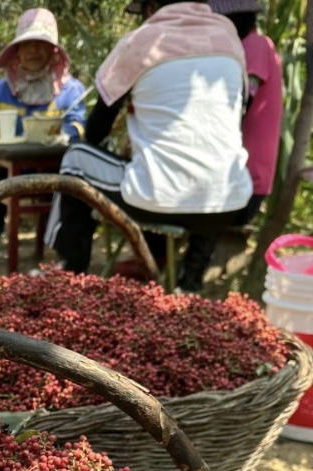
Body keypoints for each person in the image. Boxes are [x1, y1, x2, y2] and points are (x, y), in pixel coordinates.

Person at [44, 0, 254, 277]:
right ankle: (184, 279)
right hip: (230, 202)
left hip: (158, 200)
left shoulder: (142, 41)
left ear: (151, 7)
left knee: (75, 159)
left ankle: (71, 270)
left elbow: (96, 130)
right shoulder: (229, 40)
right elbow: (238, 111)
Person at [178, 0, 283, 292]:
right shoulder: (246, 48)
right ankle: (182, 278)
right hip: (237, 175)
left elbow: (238, 102)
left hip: (246, 178)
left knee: (208, 206)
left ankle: (189, 283)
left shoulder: (255, 46)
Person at [0, 9, 86, 151]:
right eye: (26, 43)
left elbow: (79, 127)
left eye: (40, 43)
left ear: (52, 49)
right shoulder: (0, 92)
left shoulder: (71, 91)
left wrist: (62, 134)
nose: (33, 50)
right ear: (18, 50)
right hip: (12, 172)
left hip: (57, 170)